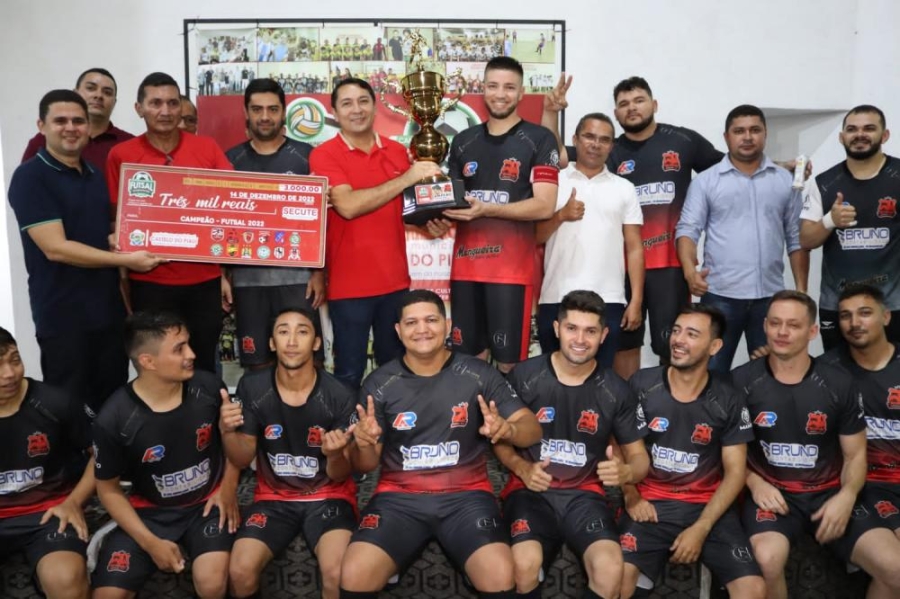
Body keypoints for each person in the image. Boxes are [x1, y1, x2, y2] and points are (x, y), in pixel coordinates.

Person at [339, 289, 542, 597]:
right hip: (399, 498)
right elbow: (365, 465)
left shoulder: (478, 373)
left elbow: (532, 428)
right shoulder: (379, 383)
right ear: (398, 331)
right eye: (411, 323)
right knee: (354, 575)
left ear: (447, 326)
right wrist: (364, 444)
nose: (422, 329)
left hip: (467, 497)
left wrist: (508, 430)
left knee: (500, 575)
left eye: (431, 320)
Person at [541, 76, 724, 379]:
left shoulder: (683, 141)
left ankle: (665, 401)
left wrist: (780, 168)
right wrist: (550, 112)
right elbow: (555, 155)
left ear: (654, 104)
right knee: (624, 345)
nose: (632, 108)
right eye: (624, 104)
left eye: (639, 101)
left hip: (668, 265)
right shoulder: (606, 150)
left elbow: (728, 167)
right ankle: (625, 401)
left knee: (671, 343)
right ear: (616, 113)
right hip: (620, 270)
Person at [7, 89, 162, 413]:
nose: (71, 128)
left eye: (78, 121)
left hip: (107, 312)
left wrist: (117, 240)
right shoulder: (30, 177)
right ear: (41, 126)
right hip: (63, 316)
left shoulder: (93, 175)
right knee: (67, 407)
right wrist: (125, 259)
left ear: (89, 128)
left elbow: (93, 235)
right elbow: (56, 248)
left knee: (112, 402)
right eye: (60, 121)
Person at [496, 290, 649, 599]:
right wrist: (522, 468)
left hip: (585, 495)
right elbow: (500, 440)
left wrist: (627, 473)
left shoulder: (617, 390)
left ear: (603, 335)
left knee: (610, 569)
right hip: (530, 492)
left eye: (590, 331)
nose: (580, 339)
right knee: (523, 564)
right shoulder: (524, 376)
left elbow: (639, 458)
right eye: (572, 328)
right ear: (556, 329)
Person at [618, 304, 764, 598]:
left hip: (707, 506)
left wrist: (702, 527)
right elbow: (620, 449)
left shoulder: (729, 398)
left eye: (692, 334)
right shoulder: (641, 384)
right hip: (650, 502)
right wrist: (631, 495)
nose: (679, 340)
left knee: (753, 589)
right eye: (676, 331)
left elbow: (736, 472)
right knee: (616, 579)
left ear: (714, 346)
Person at [91, 311, 240, 599]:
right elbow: (107, 490)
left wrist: (228, 487)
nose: (192, 354)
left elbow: (234, 445)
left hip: (206, 505)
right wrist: (149, 543)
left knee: (211, 581)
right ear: (148, 361)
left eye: (188, 344)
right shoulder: (113, 418)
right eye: (179, 349)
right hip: (148, 512)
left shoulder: (210, 388)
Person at [308, 78, 443, 388]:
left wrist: (428, 222)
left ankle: (394, 421)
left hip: (395, 282)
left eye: (363, 101)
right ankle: (349, 423)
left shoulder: (398, 152)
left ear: (374, 106)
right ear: (334, 112)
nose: (356, 110)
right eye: (347, 103)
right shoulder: (324, 155)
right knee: (348, 373)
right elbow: (348, 206)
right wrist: (406, 178)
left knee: (396, 373)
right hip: (348, 287)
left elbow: (403, 209)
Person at [733, 291, 866, 599]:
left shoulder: (839, 382)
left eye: (793, 325)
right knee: (766, 559)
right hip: (772, 495)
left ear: (812, 331)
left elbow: (856, 455)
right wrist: (753, 483)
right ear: (764, 326)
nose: (782, 332)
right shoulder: (740, 381)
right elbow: (727, 454)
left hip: (830, 493)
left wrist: (847, 495)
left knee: (894, 566)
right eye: (775, 323)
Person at [220, 307, 357, 598]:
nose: (292, 341)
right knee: (239, 571)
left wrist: (335, 454)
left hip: (328, 496)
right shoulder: (252, 387)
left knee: (338, 573)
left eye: (302, 332)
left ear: (316, 342)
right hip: (273, 498)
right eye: (283, 332)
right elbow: (242, 458)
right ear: (272, 342)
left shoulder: (340, 394)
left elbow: (341, 474)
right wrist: (227, 431)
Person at [107, 72, 234, 374]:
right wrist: (117, 241)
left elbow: (232, 206)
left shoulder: (207, 148)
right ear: (139, 108)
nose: (165, 111)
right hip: (151, 283)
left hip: (203, 280)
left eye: (172, 103)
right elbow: (117, 218)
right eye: (156, 103)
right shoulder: (121, 155)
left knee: (202, 365)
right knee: (157, 368)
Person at [444, 56, 559, 373]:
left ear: (521, 93)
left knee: (510, 365)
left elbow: (545, 205)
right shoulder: (463, 141)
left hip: (510, 273)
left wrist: (489, 209)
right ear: (482, 89)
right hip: (465, 269)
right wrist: (437, 218)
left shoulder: (539, 139)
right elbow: (452, 202)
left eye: (509, 87)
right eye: (493, 86)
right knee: (468, 364)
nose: (500, 94)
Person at [676, 105, 808, 373]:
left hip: (770, 298)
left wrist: (801, 291)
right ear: (727, 137)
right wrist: (690, 271)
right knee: (710, 373)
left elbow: (796, 237)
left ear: (765, 134)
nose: (747, 137)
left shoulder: (785, 180)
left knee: (770, 375)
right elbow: (688, 230)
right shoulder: (706, 182)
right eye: (739, 131)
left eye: (754, 130)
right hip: (720, 295)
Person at [226, 79, 325, 371]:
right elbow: (218, 223)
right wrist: (222, 275)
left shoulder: (308, 156)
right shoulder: (229, 160)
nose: (265, 116)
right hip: (247, 281)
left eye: (272, 109)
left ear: (283, 112)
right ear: (246, 112)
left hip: (298, 278)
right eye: (257, 109)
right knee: (256, 365)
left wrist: (319, 272)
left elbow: (322, 219)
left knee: (308, 362)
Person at [535, 113, 644, 368]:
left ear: (611, 146)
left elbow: (635, 248)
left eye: (604, 140)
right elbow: (536, 236)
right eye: (589, 136)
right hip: (556, 295)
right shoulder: (553, 182)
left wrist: (636, 300)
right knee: (553, 375)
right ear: (575, 139)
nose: (596, 144)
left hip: (609, 298)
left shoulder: (624, 188)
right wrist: (561, 216)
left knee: (600, 377)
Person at [818, 284, 900, 597]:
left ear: (886, 316)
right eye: (845, 316)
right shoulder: (825, 372)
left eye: (865, 313)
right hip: (856, 490)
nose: (854, 323)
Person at [0, 327, 94, 599]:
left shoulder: (55, 402)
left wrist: (74, 502)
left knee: (66, 580)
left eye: (15, 360)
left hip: (48, 513)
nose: (9, 373)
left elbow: (102, 455)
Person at [800, 105, 900, 350]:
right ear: (842, 137)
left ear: (885, 135)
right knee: (837, 370)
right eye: (852, 129)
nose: (860, 134)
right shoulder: (823, 183)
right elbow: (805, 240)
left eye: (869, 128)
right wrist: (830, 221)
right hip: (837, 306)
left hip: (892, 305)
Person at [22, 68, 133, 167]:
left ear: (114, 102)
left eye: (107, 92)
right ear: (75, 93)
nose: (98, 95)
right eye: (91, 88)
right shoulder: (45, 139)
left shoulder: (129, 144)